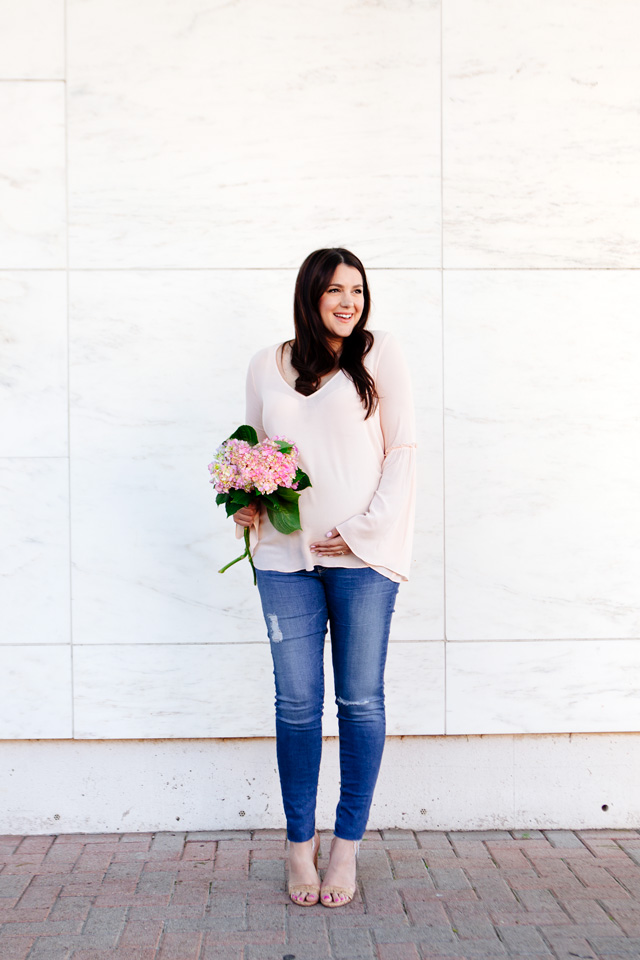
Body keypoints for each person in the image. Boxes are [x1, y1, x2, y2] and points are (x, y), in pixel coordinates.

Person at [233, 247, 416, 907]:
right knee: (297, 704)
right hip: (285, 560)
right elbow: (254, 454)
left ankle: (346, 847)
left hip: (364, 562)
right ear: (309, 295)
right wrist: (246, 501)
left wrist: (365, 529)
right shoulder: (267, 364)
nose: (348, 302)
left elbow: (403, 451)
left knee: (360, 701)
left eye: (358, 291)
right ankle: (297, 844)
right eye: (335, 290)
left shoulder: (379, 353)